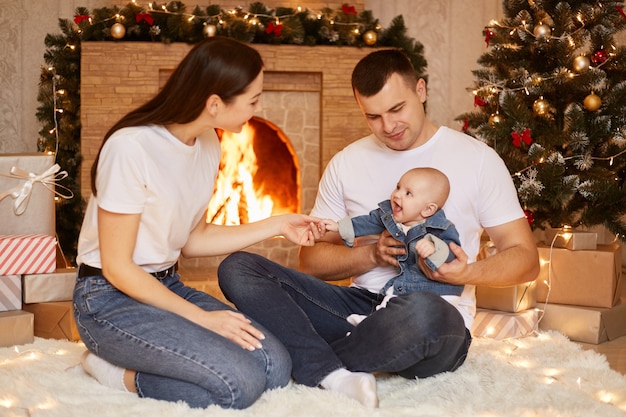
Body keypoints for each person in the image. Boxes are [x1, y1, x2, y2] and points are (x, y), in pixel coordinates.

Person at [217, 48, 539, 408]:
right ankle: (330, 369)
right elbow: (310, 262)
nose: (388, 126)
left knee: (422, 311)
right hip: (359, 311)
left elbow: (525, 259)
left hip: (434, 316)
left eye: (397, 109)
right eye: (373, 116)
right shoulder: (347, 163)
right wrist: (371, 255)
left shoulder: (478, 160)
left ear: (421, 90)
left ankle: (305, 358)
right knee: (239, 268)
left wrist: (466, 271)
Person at [72, 37, 324, 410]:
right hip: (108, 299)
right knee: (239, 384)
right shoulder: (131, 148)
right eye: (253, 100)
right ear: (215, 103)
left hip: (166, 284)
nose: (258, 108)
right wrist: (204, 319)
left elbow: (193, 238)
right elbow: (118, 268)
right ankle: (112, 372)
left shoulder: (208, 142)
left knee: (274, 366)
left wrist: (278, 224)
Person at [321, 167, 463, 326]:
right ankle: (374, 323)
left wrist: (435, 248)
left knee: (406, 306)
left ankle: (375, 324)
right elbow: (365, 222)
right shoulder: (389, 217)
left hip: (441, 293)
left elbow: (453, 252)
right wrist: (338, 227)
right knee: (392, 295)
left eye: (408, 193)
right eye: (398, 187)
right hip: (407, 288)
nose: (397, 194)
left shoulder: (441, 227)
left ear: (427, 209)